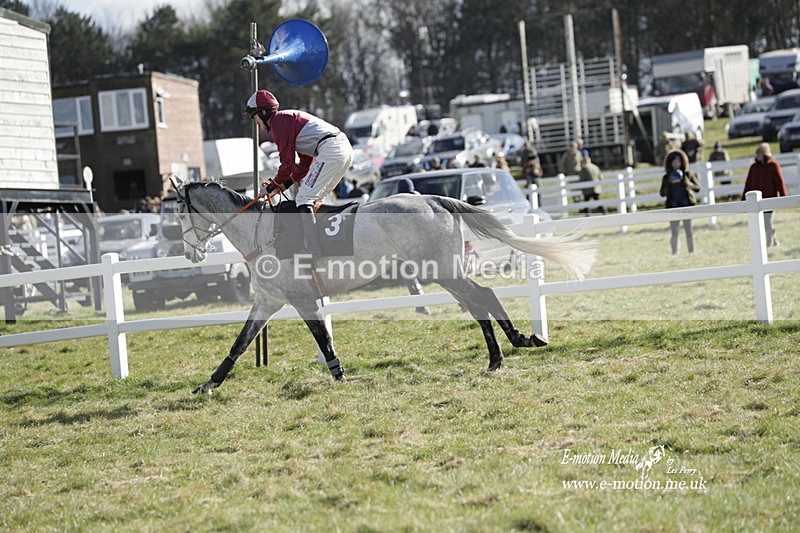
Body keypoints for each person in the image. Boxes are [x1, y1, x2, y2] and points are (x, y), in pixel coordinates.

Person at [246, 89, 353, 261]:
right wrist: (285, 185)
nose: (256, 122)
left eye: (254, 117)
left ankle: (314, 249)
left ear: (263, 112)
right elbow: (303, 166)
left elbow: (287, 165)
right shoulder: (287, 121)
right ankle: (326, 243)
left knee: (304, 198)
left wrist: (272, 187)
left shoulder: (278, 123)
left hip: (331, 150)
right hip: (343, 148)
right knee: (316, 199)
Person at [742, 143, 787, 247]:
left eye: (760, 154)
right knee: (761, 223)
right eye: (757, 154)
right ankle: (774, 242)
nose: (758, 156)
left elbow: (780, 182)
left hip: (770, 199)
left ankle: (768, 245)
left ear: (765, 154)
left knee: (767, 222)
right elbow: (748, 183)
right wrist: (744, 198)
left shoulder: (773, 166)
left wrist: (784, 198)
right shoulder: (753, 167)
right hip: (756, 201)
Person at [660, 149, 701, 255]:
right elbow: (662, 193)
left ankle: (691, 252)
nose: (676, 164)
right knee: (674, 231)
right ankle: (675, 252)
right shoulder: (666, 177)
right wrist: (670, 184)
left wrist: (687, 184)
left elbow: (697, 188)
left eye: (678, 162)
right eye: (674, 162)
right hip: (673, 206)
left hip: (686, 205)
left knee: (689, 230)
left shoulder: (688, 174)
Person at [577, 150, 607, 215]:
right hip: (596, 188)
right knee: (598, 202)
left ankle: (588, 216)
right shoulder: (595, 167)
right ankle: (605, 213)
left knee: (586, 203)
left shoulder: (584, 168)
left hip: (588, 190)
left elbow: (582, 179)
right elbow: (601, 177)